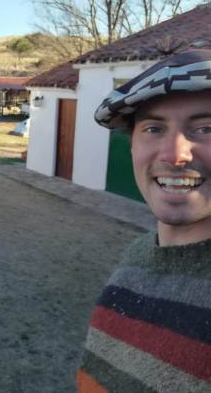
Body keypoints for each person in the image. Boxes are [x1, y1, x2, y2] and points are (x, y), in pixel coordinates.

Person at [78, 50, 211, 391]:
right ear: (133, 146)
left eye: (206, 128)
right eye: (153, 128)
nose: (175, 154)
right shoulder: (136, 255)